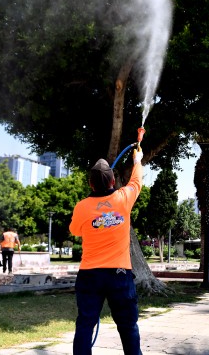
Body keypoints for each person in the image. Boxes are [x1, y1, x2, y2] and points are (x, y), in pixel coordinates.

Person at [69, 147, 143, 355]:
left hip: (90, 275)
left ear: (90, 184)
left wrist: (93, 217)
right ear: (112, 181)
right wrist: (137, 160)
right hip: (119, 275)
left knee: (85, 324)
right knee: (128, 325)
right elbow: (136, 182)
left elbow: (75, 230)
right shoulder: (123, 198)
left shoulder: (82, 206)